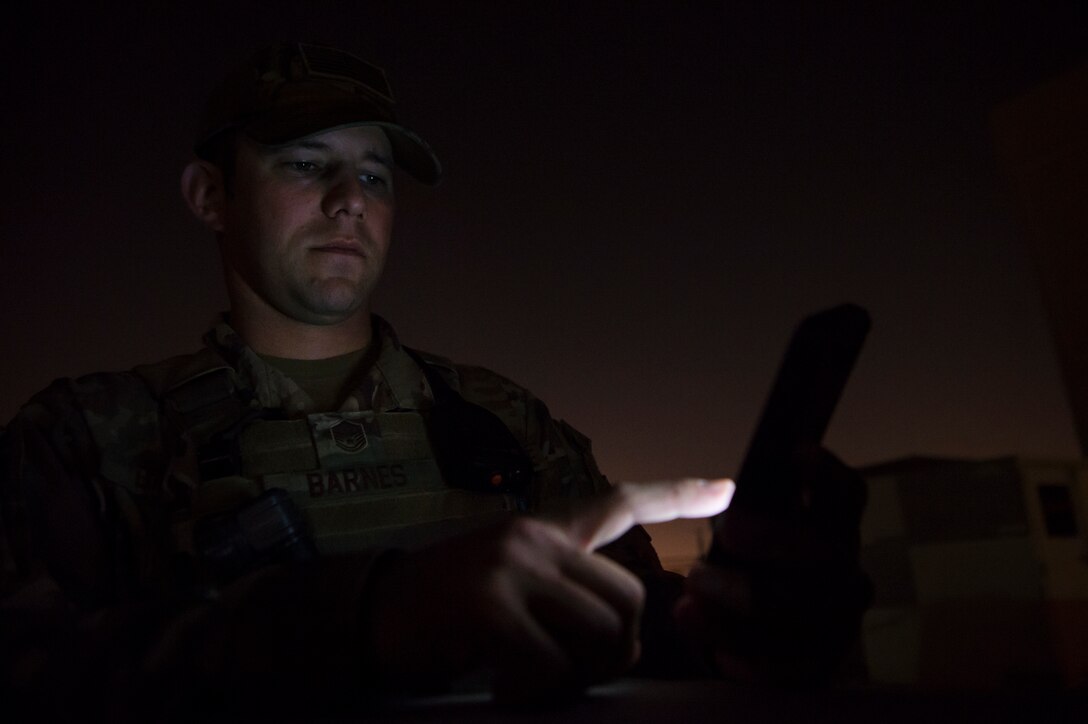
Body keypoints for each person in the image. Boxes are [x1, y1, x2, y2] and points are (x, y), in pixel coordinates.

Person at [0, 42, 870, 719]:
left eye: (374, 175)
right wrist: (371, 622)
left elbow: (641, 643)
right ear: (209, 195)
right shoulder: (91, 441)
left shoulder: (505, 422)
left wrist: (745, 635)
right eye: (307, 165)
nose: (350, 199)